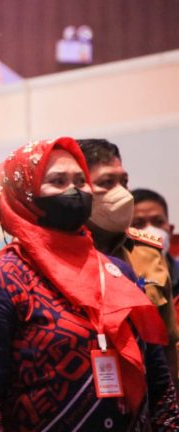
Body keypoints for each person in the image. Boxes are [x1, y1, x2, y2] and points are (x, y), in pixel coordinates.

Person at [0, 137, 179, 430]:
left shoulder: (117, 272)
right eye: (57, 181)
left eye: (81, 180)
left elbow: (159, 384)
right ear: (26, 195)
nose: (74, 191)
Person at [78, 138, 179, 386]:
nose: (122, 192)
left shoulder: (146, 252)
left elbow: (167, 343)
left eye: (124, 182)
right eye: (107, 183)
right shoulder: (59, 256)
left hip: (144, 395)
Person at [132, 188, 179, 296]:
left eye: (158, 222)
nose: (150, 232)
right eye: (138, 224)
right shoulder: (119, 279)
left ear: (170, 230)